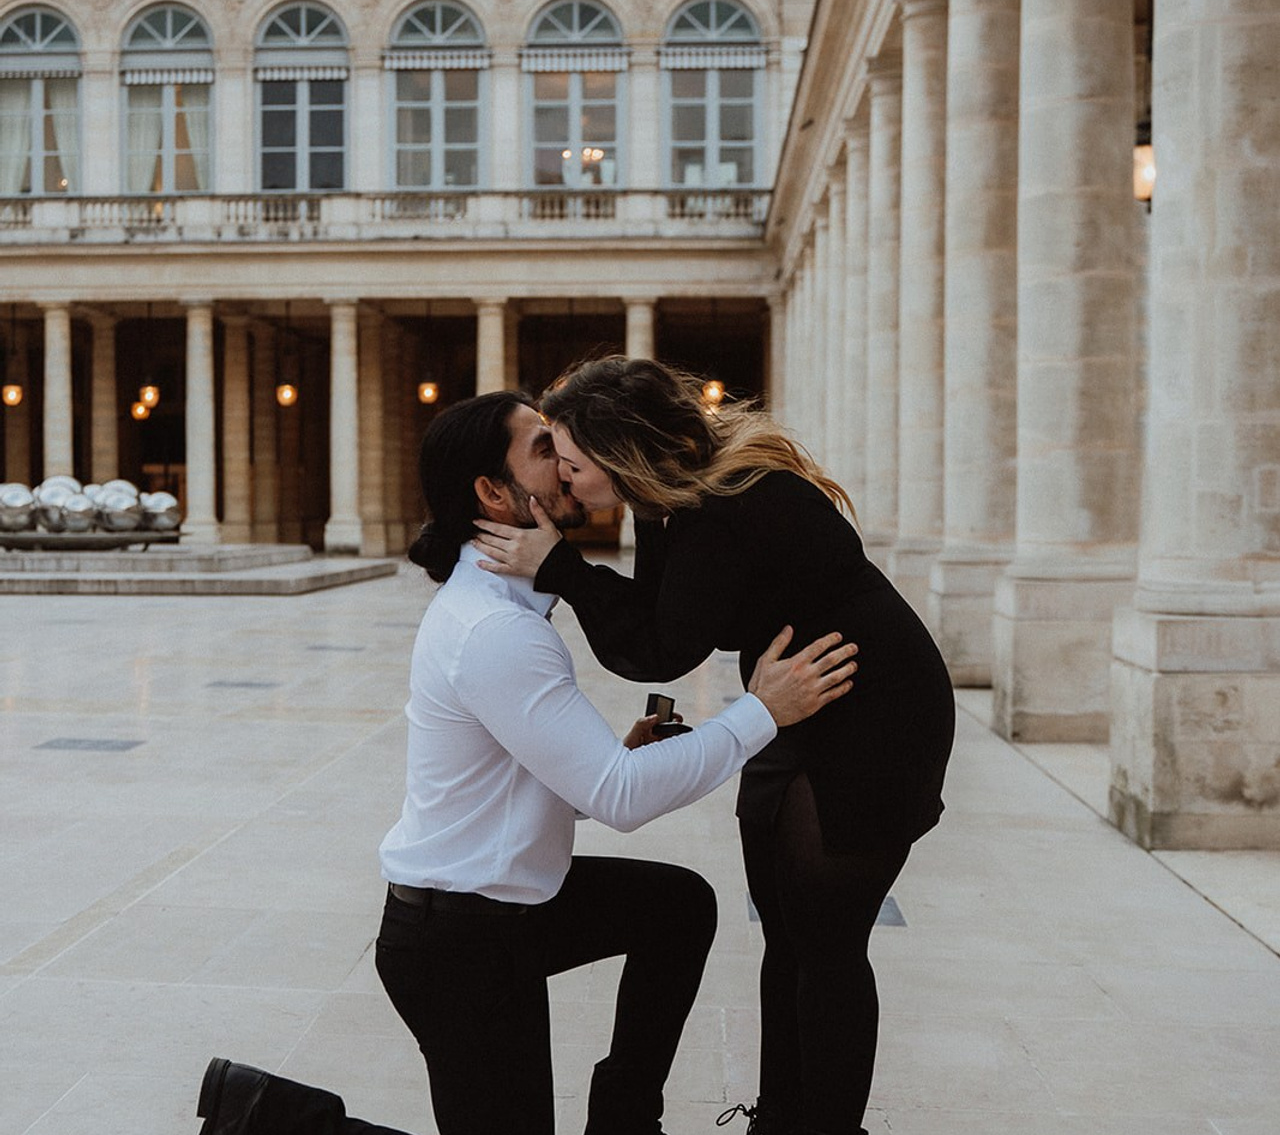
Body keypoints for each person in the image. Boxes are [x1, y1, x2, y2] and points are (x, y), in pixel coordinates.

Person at [196, 389, 857, 1135]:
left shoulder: (508, 608)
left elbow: (542, 774)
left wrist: (610, 757)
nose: (571, 463)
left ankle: (623, 1117)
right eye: (545, 450)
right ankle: (270, 1117)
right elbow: (622, 799)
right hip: (456, 944)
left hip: (511, 910)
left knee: (677, 908)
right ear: (492, 492)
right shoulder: (495, 631)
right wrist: (762, 711)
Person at [473, 358, 957, 1135]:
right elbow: (655, 622)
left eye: (570, 460)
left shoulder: (726, 505)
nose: (562, 476)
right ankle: (782, 1120)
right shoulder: (674, 502)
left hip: (875, 712)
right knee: (785, 934)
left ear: (620, 453)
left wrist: (561, 567)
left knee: (826, 943)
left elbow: (661, 650)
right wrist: (577, 561)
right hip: (796, 702)